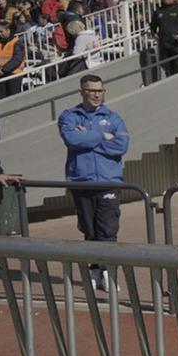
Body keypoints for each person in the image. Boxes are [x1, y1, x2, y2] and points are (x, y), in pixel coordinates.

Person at [58, 74, 130, 292]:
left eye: (100, 90)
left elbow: (121, 146)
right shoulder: (70, 116)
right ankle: (95, 271)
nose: (97, 95)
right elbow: (71, 139)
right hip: (81, 181)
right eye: (92, 91)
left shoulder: (114, 117)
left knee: (107, 229)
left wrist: (89, 136)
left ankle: (108, 273)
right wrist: (103, 136)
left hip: (109, 182)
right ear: (82, 92)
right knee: (88, 229)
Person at [0, 20, 24, 98]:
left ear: (8, 30)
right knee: (3, 98)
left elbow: (17, 59)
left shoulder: (16, 42)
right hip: (1, 74)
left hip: (14, 74)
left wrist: (3, 70)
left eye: (1, 31)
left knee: (14, 98)